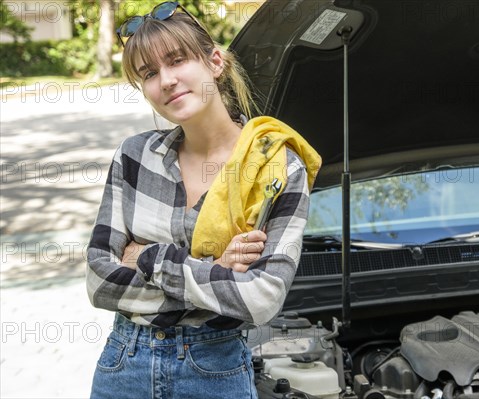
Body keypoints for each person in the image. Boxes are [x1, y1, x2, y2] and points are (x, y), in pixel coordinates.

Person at [86, 2, 321, 398]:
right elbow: (98, 282)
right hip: (123, 364)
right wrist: (214, 269)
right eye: (149, 73)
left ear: (215, 62)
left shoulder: (278, 168)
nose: (166, 80)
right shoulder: (134, 156)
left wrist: (146, 258)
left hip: (213, 369)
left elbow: (261, 299)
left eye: (177, 60)